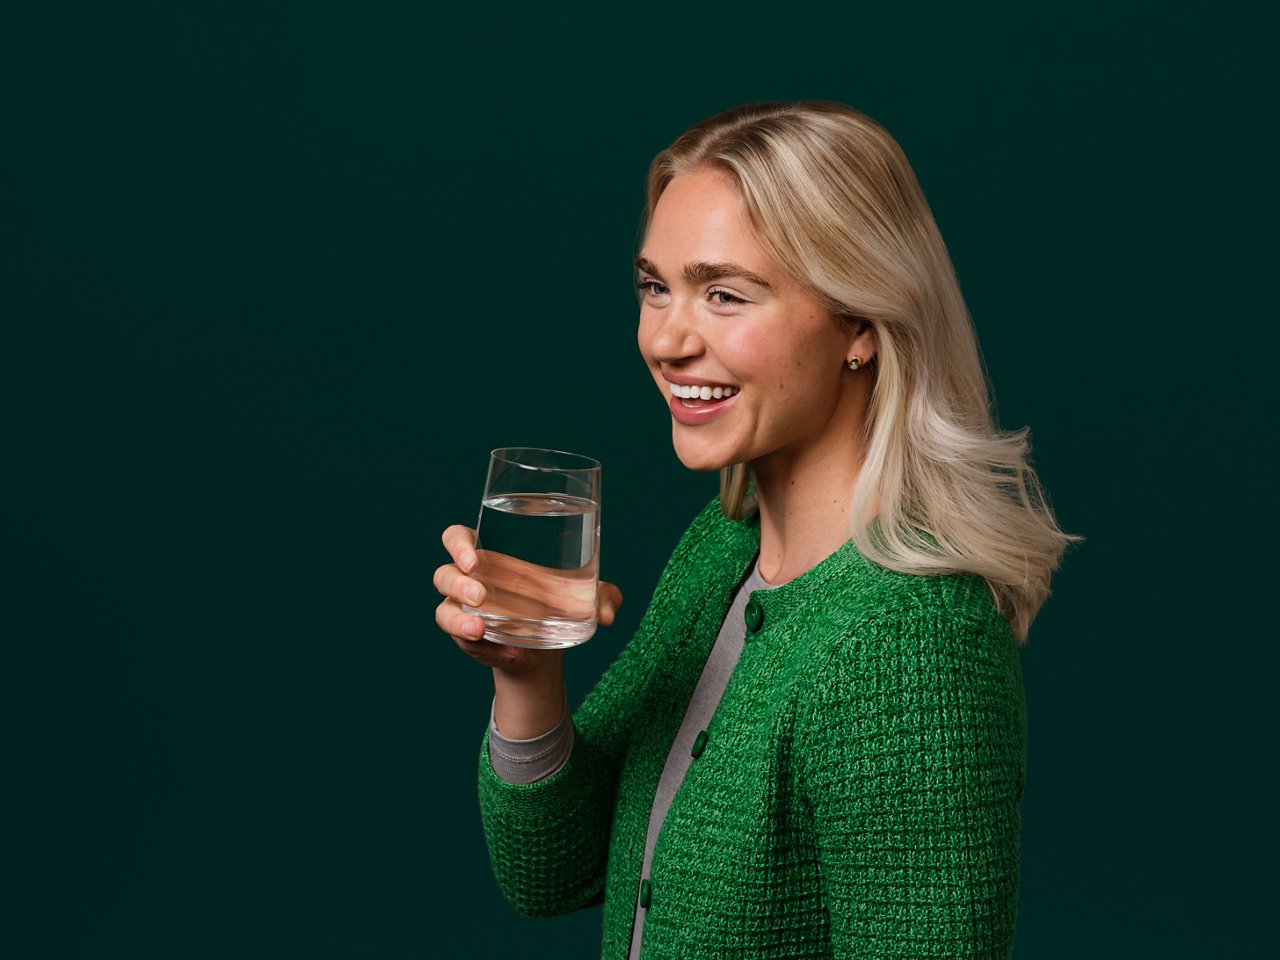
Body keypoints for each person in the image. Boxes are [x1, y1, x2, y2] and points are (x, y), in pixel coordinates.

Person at [433, 100, 1072, 959]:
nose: (666, 338)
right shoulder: (723, 552)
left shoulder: (909, 642)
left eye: (724, 294)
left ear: (861, 326)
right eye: (655, 286)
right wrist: (527, 674)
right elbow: (556, 872)